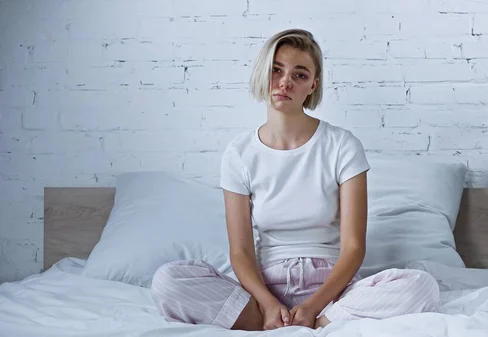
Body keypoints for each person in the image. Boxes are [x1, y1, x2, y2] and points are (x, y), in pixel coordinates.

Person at [150, 28, 440, 331]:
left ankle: (315, 323)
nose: (285, 82)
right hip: (263, 291)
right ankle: (275, 321)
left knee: (421, 286)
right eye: (276, 70)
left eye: (299, 75)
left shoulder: (342, 145)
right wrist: (268, 302)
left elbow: (354, 247)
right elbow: (241, 251)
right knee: (168, 281)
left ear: (312, 86)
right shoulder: (239, 153)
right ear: (264, 73)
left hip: (332, 291)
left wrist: (314, 307)